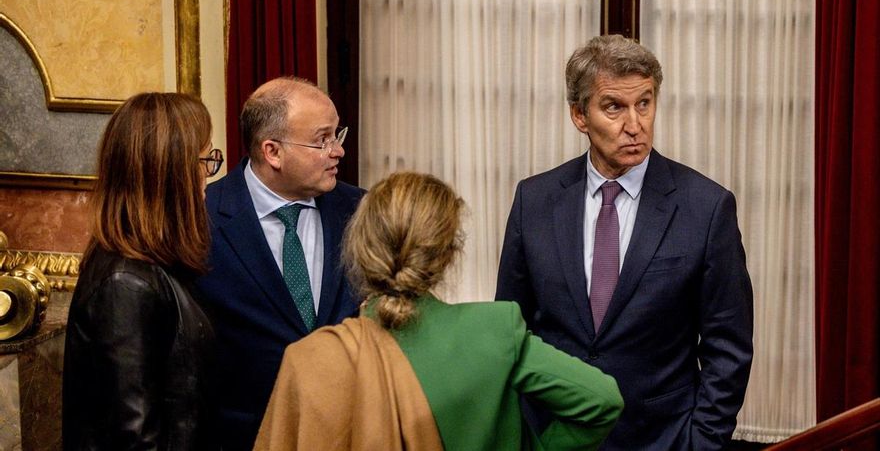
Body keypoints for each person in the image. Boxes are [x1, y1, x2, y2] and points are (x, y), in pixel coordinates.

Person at [496, 35, 754, 450]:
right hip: (553, 437)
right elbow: (511, 329)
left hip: (661, 439)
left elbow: (729, 347)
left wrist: (701, 443)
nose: (635, 124)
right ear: (580, 116)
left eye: (645, 103)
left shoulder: (705, 207)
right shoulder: (535, 200)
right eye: (614, 106)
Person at [254, 172, 624, 451]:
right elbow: (601, 401)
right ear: (448, 255)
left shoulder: (311, 361)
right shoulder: (494, 331)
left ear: (358, 246)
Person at [195, 77, 365, 449]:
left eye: (338, 135)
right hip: (242, 437)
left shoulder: (362, 211)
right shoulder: (202, 220)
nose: (337, 151)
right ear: (272, 151)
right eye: (322, 140)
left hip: (347, 432)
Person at [63, 92, 223, 450]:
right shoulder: (126, 283)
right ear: (171, 172)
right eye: (205, 160)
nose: (208, 175)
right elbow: (134, 440)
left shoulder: (154, 265)